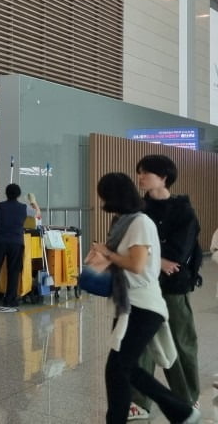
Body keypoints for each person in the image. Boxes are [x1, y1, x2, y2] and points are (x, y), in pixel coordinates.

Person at [89, 172, 198, 424]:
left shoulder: (139, 223)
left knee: (118, 369)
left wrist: (107, 253)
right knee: (124, 369)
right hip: (129, 304)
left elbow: (136, 265)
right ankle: (181, 411)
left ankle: (182, 410)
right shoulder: (125, 222)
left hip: (143, 307)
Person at [129, 155, 201, 419]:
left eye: (146, 173)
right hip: (143, 284)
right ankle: (138, 401)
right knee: (141, 343)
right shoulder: (138, 209)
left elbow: (179, 253)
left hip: (174, 286)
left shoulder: (183, 210)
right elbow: (130, 244)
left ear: (164, 177)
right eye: (140, 172)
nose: (141, 177)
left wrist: (152, 256)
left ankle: (187, 398)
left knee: (181, 341)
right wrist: (158, 260)